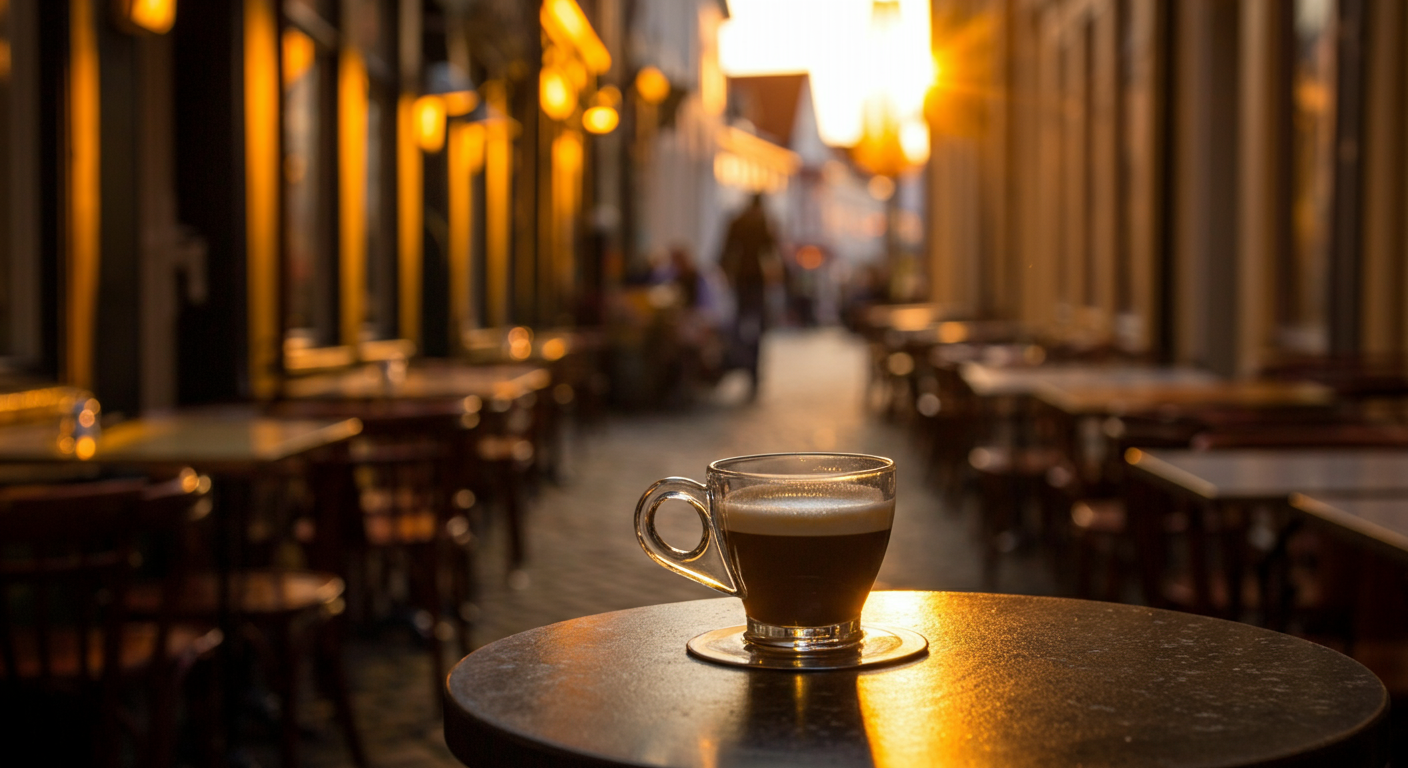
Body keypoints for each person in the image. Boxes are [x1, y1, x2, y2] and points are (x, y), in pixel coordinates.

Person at [717, 193, 778, 399]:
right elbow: (771, 251)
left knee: (743, 325)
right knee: (754, 326)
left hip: (743, 279)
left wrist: (725, 272)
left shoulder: (738, 222)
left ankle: (744, 366)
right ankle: (750, 370)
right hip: (753, 280)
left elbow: (726, 250)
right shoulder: (762, 224)